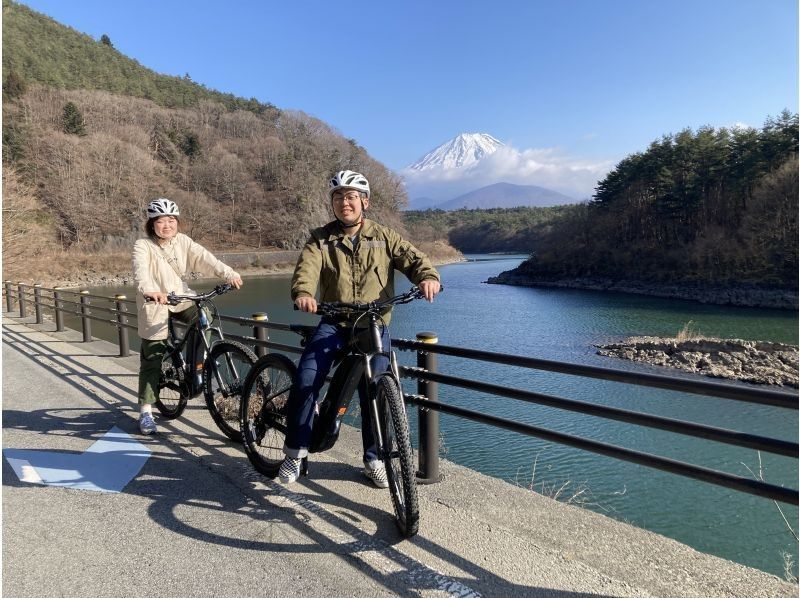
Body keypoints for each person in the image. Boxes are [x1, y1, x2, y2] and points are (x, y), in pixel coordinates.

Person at [281, 170, 442, 486]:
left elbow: (414, 259)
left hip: (373, 325)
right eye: (338, 197)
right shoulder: (320, 239)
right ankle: (294, 452)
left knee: (376, 394)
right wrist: (303, 293)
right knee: (306, 380)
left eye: (351, 197)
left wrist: (429, 277)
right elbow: (306, 270)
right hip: (335, 323)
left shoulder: (384, 237)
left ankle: (375, 459)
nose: (345, 203)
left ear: (364, 202)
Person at [132, 198, 243, 435]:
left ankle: (195, 367)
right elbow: (140, 271)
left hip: (182, 298)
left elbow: (205, 258)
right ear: (152, 225)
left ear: (177, 222)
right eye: (160, 221)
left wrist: (229, 274)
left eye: (171, 220)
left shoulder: (182, 241)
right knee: (153, 355)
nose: (167, 225)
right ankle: (146, 411)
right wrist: (150, 291)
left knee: (205, 316)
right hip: (155, 303)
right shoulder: (143, 246)